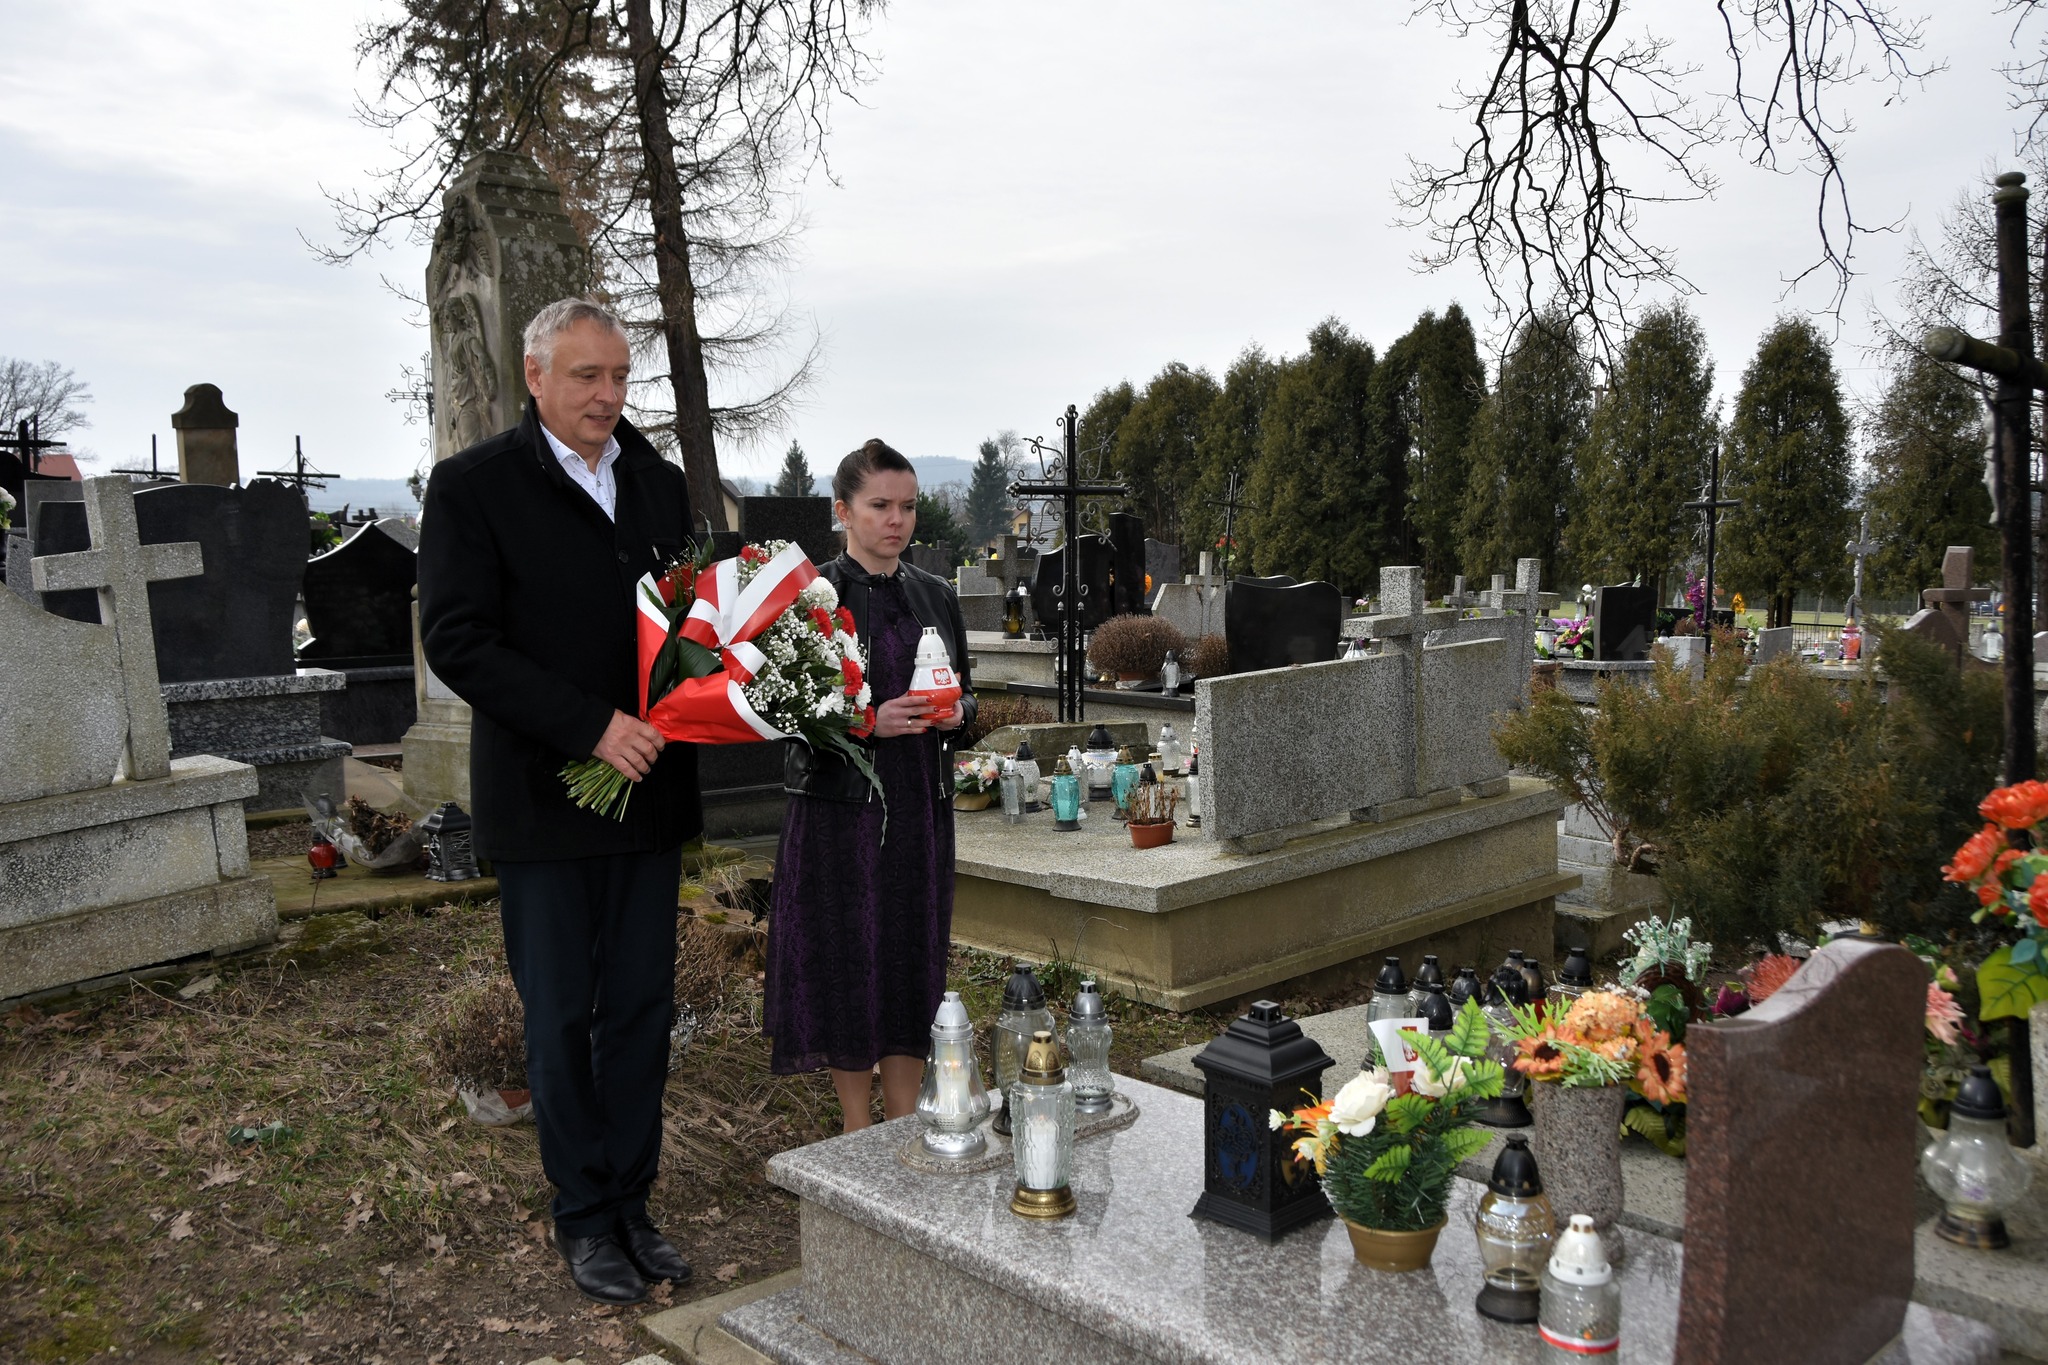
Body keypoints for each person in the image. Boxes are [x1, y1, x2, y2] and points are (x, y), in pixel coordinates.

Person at [418, 298, 699, 1306]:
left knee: (641, 1009)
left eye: (620, 376)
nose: (608, 395)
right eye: (587, 376)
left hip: (650, 795)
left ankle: (632, 1202)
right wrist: (589, 727)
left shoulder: (658, 483)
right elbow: (458, 639)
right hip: (545, 800)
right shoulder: (474, 486)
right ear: (535, 377)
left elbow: (688, 624)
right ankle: (582, 1213)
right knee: (563, 1017)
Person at [764, 440, 974, 1128]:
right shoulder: (810, 598)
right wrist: (865, 722)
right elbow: (781, 712)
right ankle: (857, 1129)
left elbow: (967, 695)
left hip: (917, 809)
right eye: (880, 505)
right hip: (839, 814)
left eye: (908, 506)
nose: (896, 520)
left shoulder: (936, 594)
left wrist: (959, 712)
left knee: (909, 962)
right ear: (843, 511)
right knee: (849, 964)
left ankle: (905, 1119)